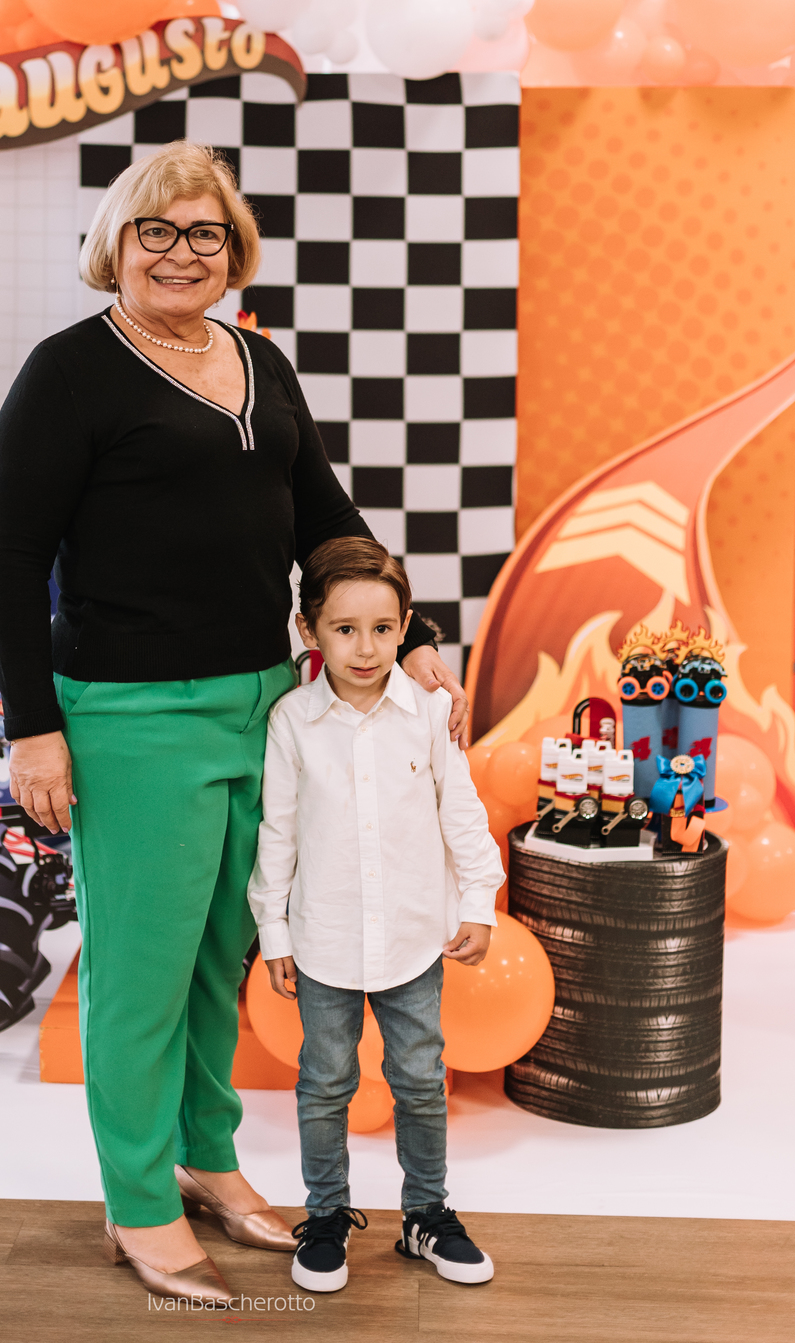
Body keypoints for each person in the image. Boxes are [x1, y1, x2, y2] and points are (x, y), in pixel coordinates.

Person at [0, 142, 471, 1308]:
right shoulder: (68, 372)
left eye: (204, 233)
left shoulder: (258, 359)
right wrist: (32, 726)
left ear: (233, 250)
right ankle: (136, 1199)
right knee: (141, 973)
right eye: (155, 231)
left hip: (262, 702)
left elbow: (322, 512)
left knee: (220, 958)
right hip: (131, 716)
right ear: (117, 244)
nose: (180, 253)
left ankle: (205, 1157)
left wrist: (410, 627)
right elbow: (10, 559)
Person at [249, 535, 503, 1295]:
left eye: (383, 629)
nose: (366, 648)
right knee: (325, 1082)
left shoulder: (429, 712)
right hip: (324, 939)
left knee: (419, 1079)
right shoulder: (292, 721)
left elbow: (461, 812)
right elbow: (278, 833)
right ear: (309, 630)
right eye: (345, 629)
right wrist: (274, 931)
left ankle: (427, 1214)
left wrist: (478, 901)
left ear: (406, 626)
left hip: (413, 938)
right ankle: (326, 1216)